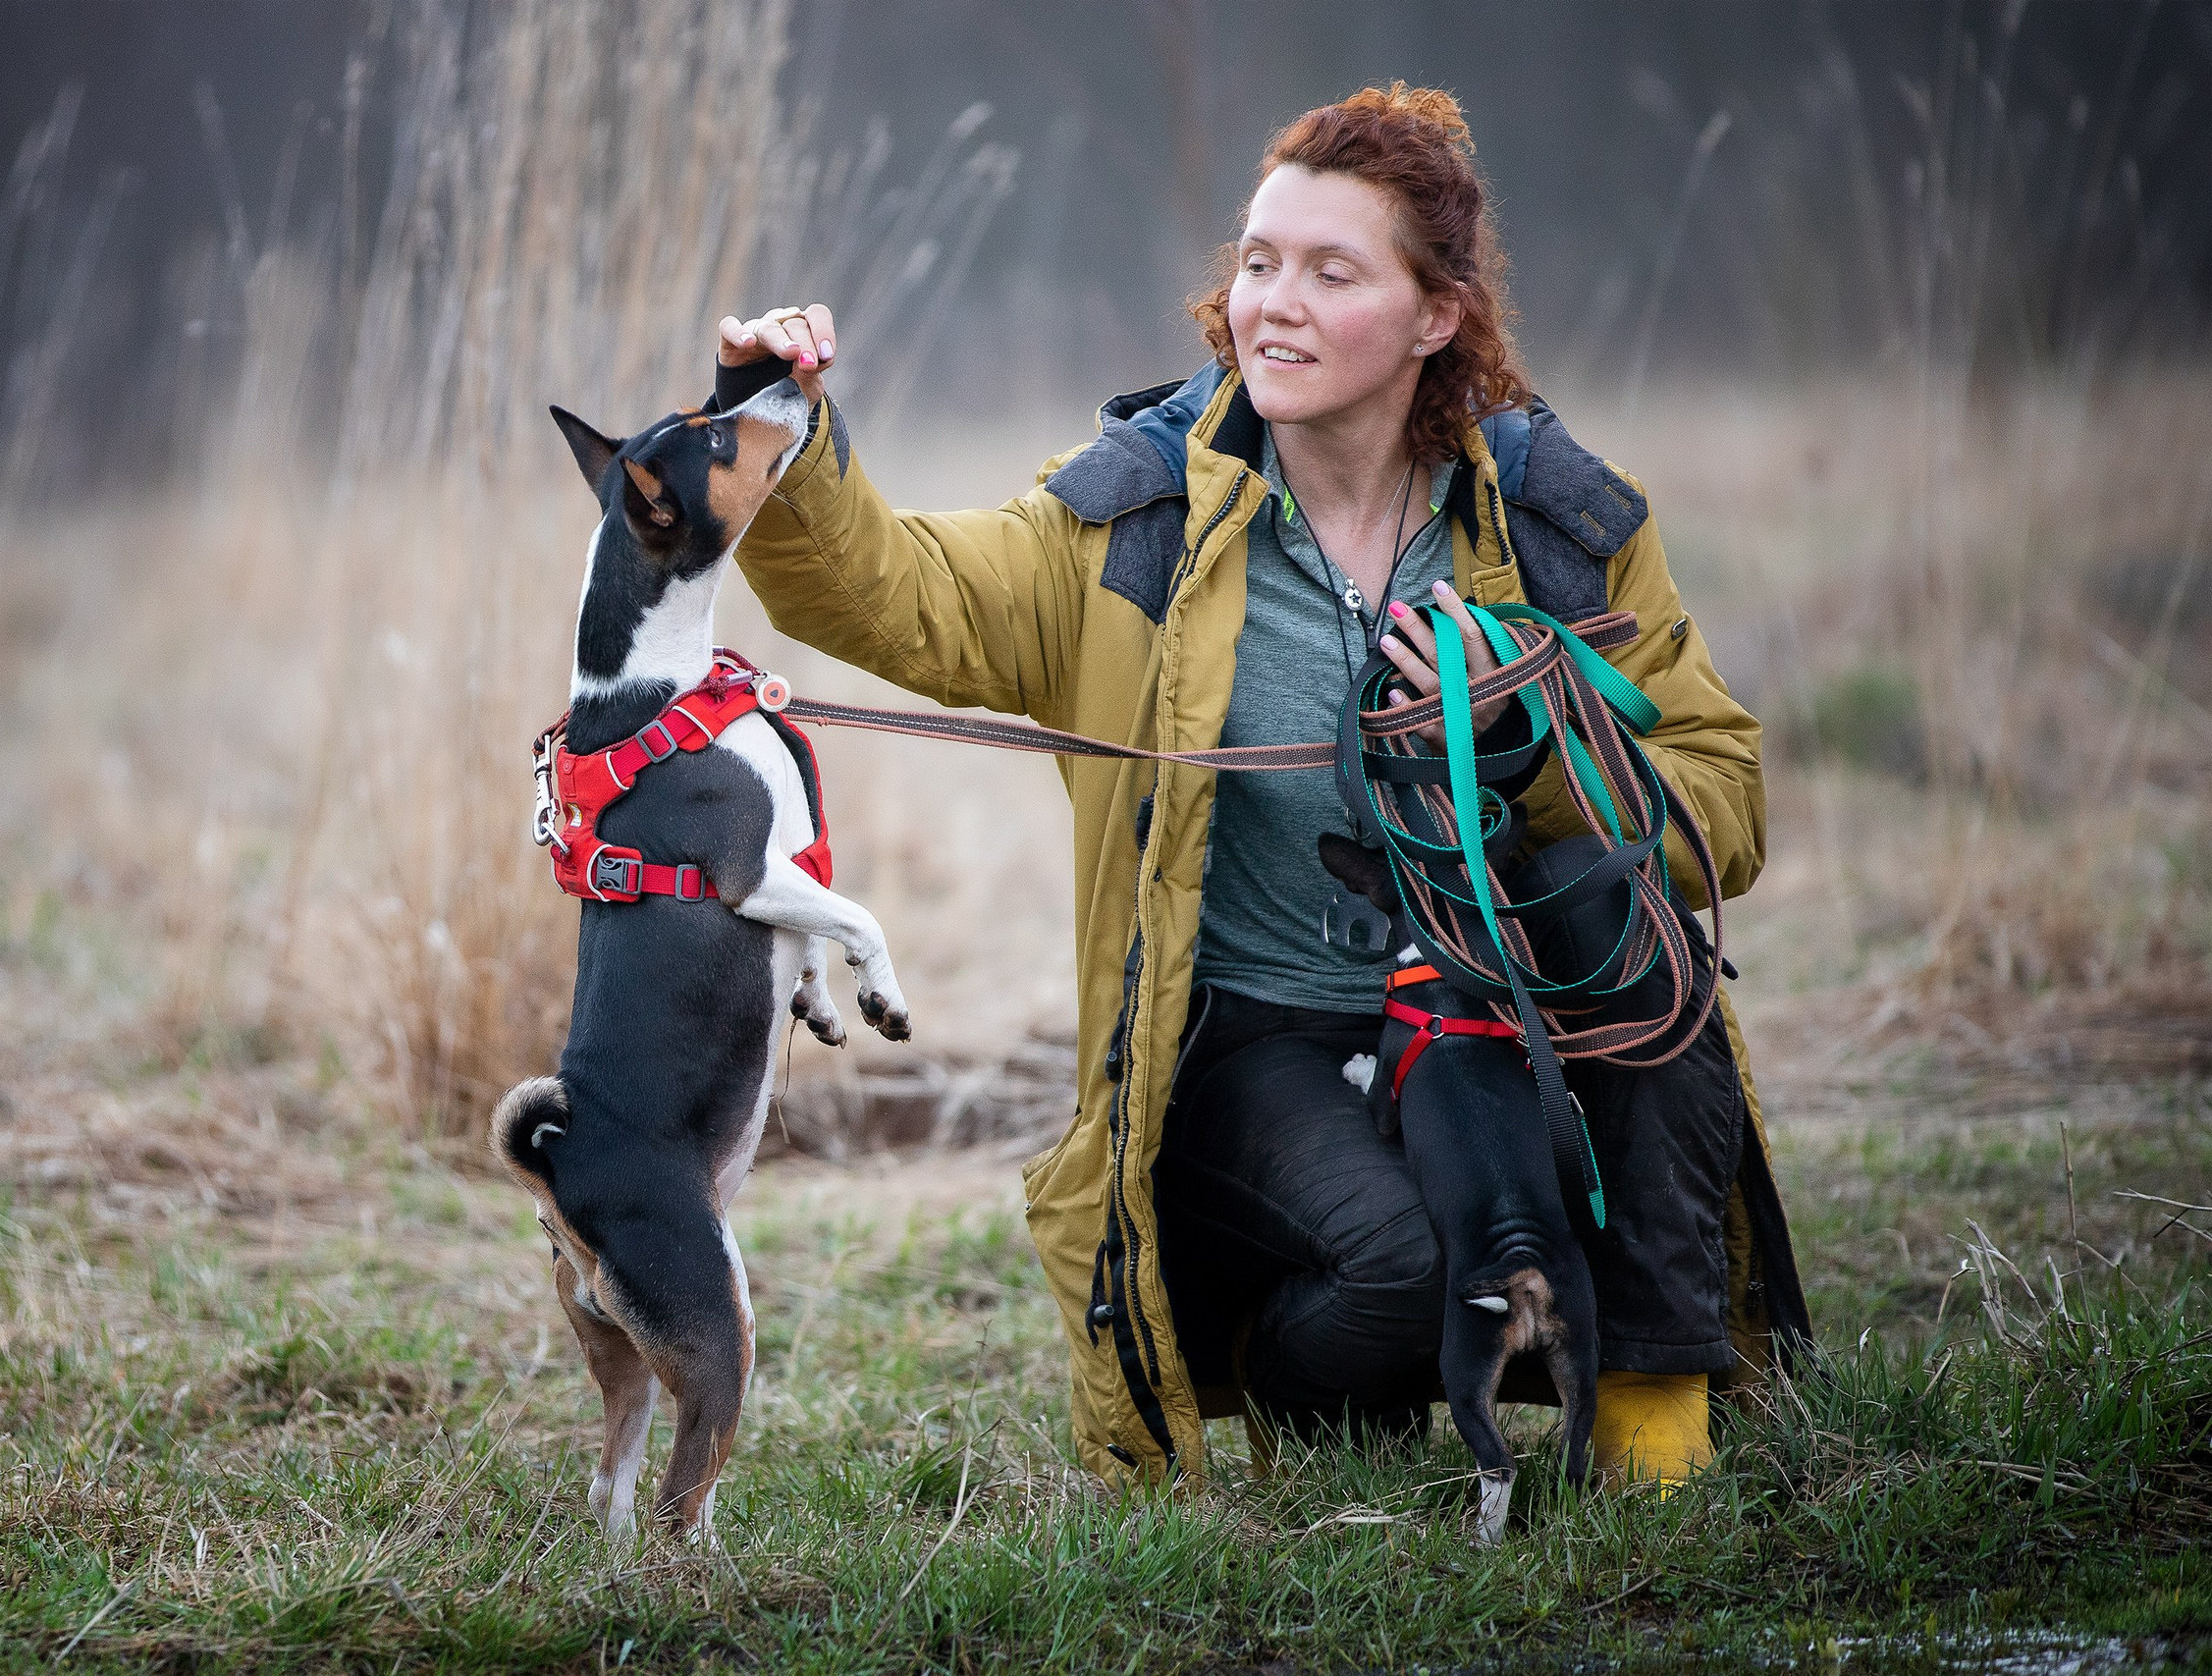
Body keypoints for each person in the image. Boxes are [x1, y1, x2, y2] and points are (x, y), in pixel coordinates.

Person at [707, 82, 1808, 1488]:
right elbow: (898, 599)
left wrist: (1538, 755)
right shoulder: (1137, 518)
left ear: (1436, 317)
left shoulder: (1562, 528)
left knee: (1633, 937)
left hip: (1501, 1013)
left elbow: (1724, 805)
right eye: (1257, 259)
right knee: (1403, 1275)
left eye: (1329, 271)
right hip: (1250, 1044)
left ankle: (1655, 1431)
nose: (1267, 303)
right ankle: (1325, 1388)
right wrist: (784, 431)